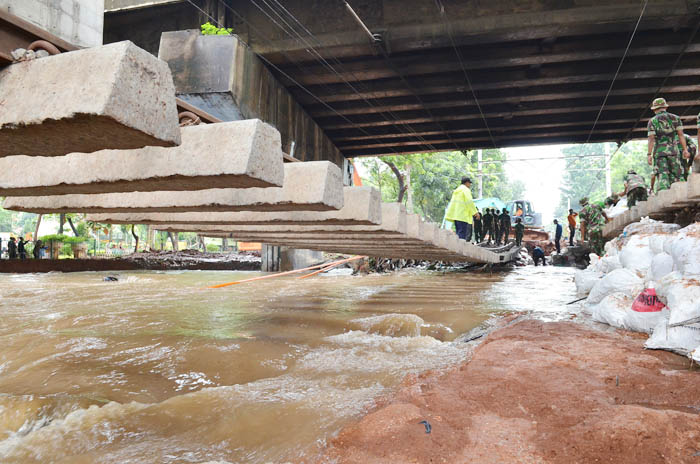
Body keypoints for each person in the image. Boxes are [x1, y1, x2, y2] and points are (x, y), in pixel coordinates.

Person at [647, 97, 689, 192]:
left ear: (655, 109)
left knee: (663, 174)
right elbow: (681, 135)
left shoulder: (652, 121)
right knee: (678, 174)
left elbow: (651, 139)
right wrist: (685, 150)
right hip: (674, 151)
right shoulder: (676, 118)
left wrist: (649, 154)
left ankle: (664, 197)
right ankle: (681, 195)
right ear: (665, 107)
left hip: (659, 153)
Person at [445, 177, 477, 241]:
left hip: (456, 216)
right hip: (463, 216)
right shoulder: (465, 190)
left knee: (458, 234)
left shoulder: (457, 190)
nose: (470, 185)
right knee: (462, 236)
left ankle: (457, 249)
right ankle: (461, 250)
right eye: (469, 183)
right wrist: (475, 213)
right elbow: (469, 202)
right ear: (467, 183)